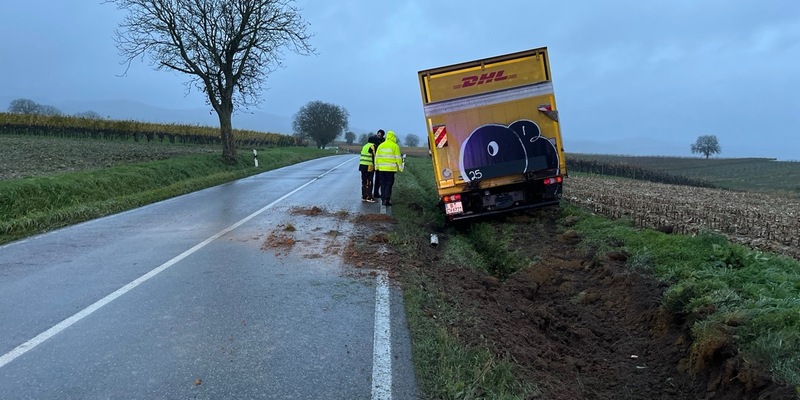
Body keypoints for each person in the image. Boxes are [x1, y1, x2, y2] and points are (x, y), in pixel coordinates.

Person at [374, 130, 403, 207]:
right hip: (390, 169)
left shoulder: (381, 146)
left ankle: (383, 199)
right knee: (389, 184)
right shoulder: (395, 146)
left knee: (383, 184)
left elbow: (376, 157)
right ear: (393, 137)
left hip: (381, 169)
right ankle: (387, 199)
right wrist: (400, 168)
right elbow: (398, 158)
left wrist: (376, 167)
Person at [358, 135, 380, 203]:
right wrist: (376, 166)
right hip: (369, 166)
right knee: (369, 181)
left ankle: (364, 196)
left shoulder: (365, 146)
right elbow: (375, 157)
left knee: (364, 181)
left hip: (362, 165)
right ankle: (369, 197)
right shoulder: (373, 146)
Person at [373, 129, 386, 199]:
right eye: (378, 135)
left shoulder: (383, 141)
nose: (379, 136)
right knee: (373, 179)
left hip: (380, 162)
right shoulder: (374, 139)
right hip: (374, 161)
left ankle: (376, 193)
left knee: (378, 179)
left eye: (380, 136)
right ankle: (373, 193)